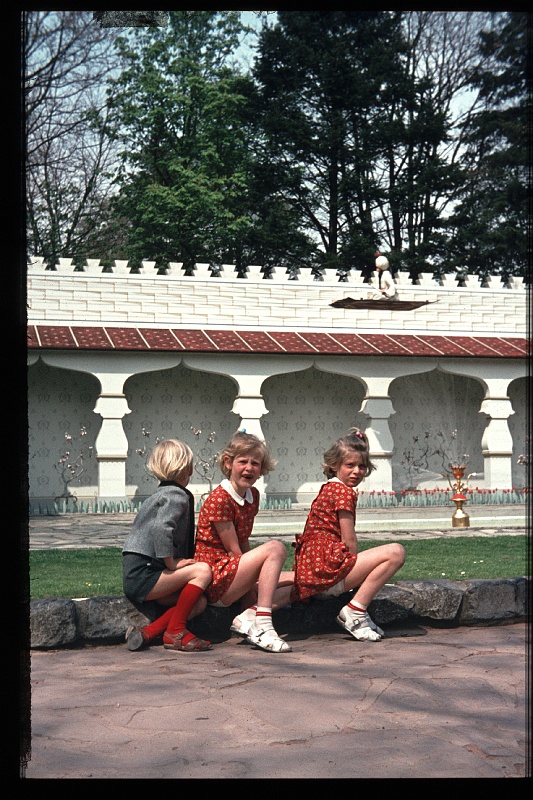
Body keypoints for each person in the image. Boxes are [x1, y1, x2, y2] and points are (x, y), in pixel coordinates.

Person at [290, 428, 406, 641]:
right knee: (395, 552)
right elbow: (348, 538)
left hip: (315, 572)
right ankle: (355, 610)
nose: (357, 471)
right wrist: (358, 570)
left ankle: (359, 612)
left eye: (361, 466)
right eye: (350, 465)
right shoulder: (343, 492)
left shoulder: (329, 489)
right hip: (328, 575)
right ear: (334, 466)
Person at [194, 430, 294, 653]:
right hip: (216, 578)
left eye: (255, 463)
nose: (249, 468)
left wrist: (252, 586)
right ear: (228, 463)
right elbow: (233, 550)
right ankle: (263, 624)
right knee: (276, 548)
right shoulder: (220, 499)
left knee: (300, 581)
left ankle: (249, 616)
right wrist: (248, 590)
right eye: (243, 461)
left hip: (234, 571)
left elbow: (244, 540)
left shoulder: (252, 496)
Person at [122, 438, 213, 652]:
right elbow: (162, 529)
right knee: (202, 571)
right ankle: (176, 633)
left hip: (141, 574)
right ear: (188, 468)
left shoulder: (160, 494)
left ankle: (148, 633)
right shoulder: (175, 495)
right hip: (144, 575)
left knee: (198, 602)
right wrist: (172, 564)